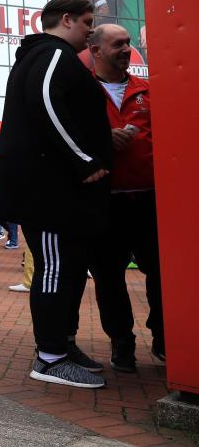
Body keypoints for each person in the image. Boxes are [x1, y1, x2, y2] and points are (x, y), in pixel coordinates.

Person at [0, 0, 112, 389]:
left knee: (69, 269)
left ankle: (62, 344)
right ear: (66, 19)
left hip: (55, 190)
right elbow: (45, 104)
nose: (90, 29)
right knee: (56, 269)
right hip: (47, 192)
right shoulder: (52, 54)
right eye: (87, 22)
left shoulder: (47, 56)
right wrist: (85, 160)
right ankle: (50, 357)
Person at [87, 23, 163, 371]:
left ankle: (164, 339)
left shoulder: (147, 89)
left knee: (161, 272)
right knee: (108, 276)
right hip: (105, 203)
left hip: (149, 201)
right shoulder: (81, 92)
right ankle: (122, 343)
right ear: (97, 50)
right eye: (118, 44)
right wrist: (104, 140)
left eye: (128, 44)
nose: (126, 49)